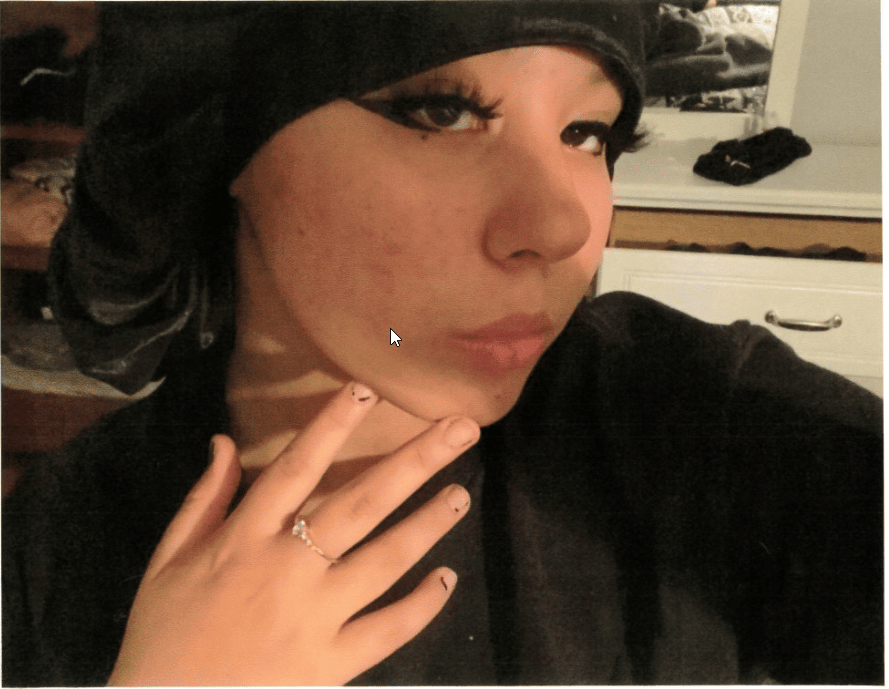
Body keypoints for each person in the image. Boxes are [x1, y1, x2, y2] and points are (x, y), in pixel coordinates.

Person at [2, 2, 882, 685]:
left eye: (587, 134)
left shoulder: (704, 429)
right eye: (443, 111)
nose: (561, 226)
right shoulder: (57, 544)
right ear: (222, 135)